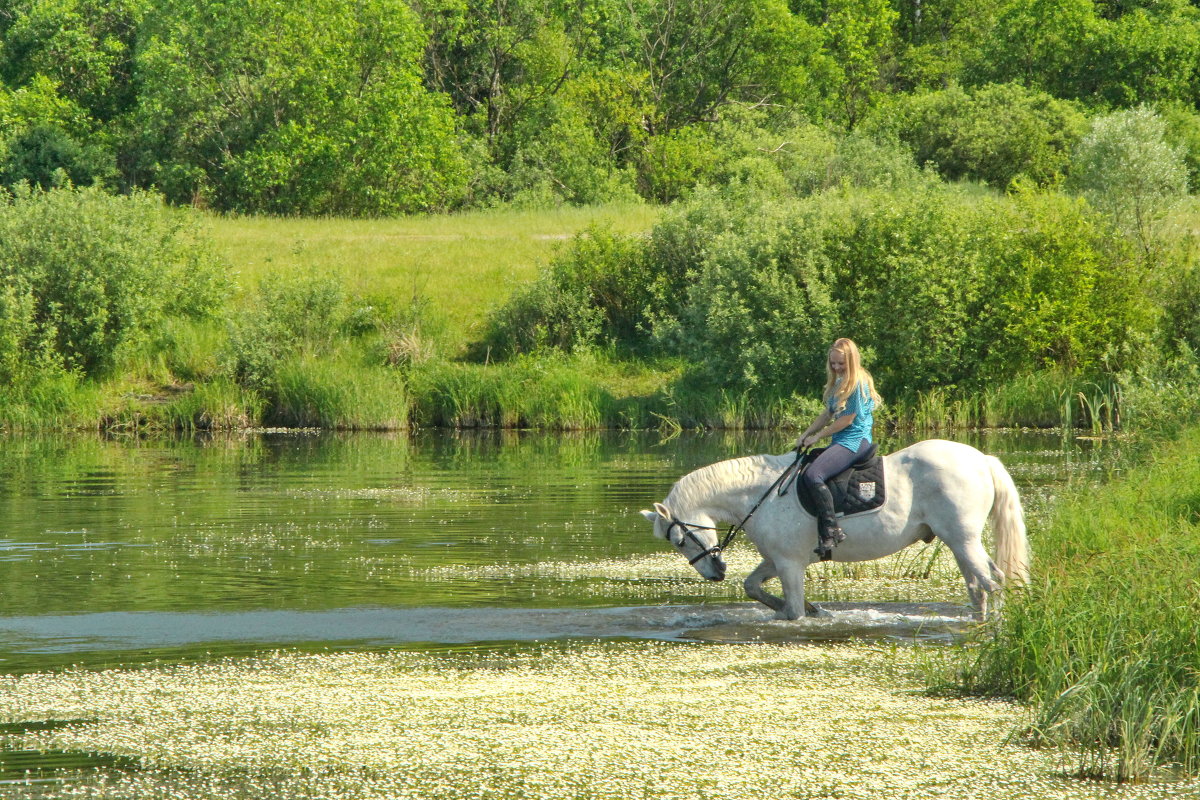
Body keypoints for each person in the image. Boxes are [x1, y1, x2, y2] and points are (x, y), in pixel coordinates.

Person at [795, 338, 882, 561]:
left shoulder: (858, 382)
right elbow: (827, 414)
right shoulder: (839, 381)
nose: (836, 367)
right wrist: (806, 434)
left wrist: (818, 437)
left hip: (855, 441)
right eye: (833, 363)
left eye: (841, 364)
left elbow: (846, 420)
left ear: (851, 361)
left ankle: (832, 530)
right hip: (841, 440)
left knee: (815, 475)